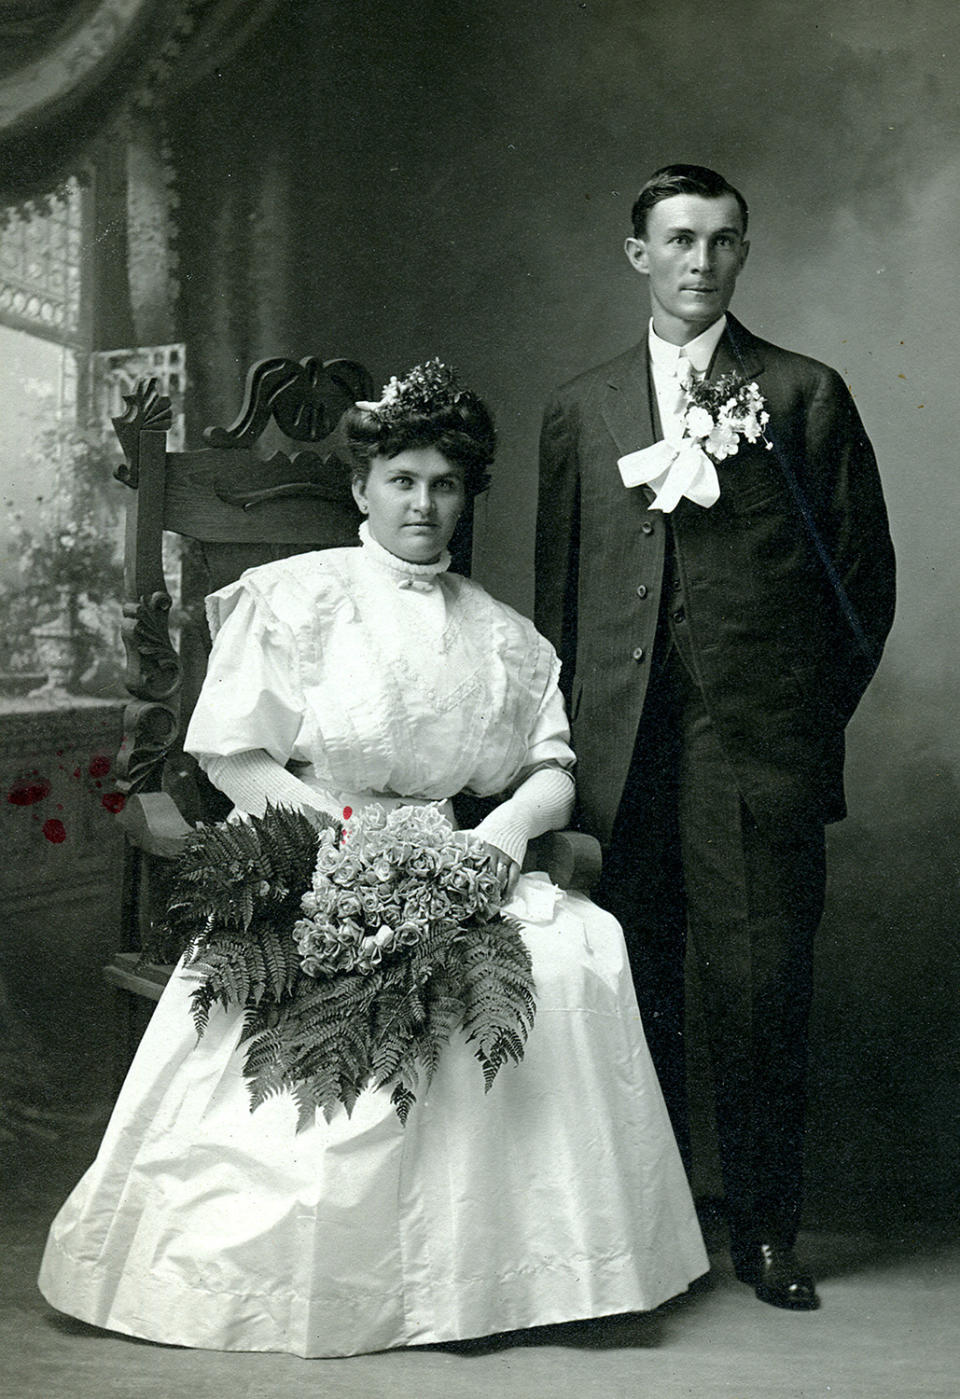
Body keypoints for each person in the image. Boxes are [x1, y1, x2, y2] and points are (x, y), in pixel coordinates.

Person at [38, 362, 708, 1358]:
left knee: (576, 952)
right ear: (362, 487)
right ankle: (343, 1279)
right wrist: (334, 839)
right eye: (402, 480)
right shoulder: (295, 599)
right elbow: (231, 748)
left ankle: (508, 1275)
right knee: (342, 988)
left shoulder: (504, 638)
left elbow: (552, 769)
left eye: (444, 484)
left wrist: (504, 831)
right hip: (314, 848)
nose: (424, 505)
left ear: (464, 495)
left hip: (455, 853)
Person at [535, 165, 896, 1311]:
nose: (703, 262)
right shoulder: (580, 408)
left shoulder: (802, 393)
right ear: (637, 253)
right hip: (618, 754)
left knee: (758, 989)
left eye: (725, 242)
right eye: (680, 240)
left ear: (744, 255)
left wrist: (794, 723)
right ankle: (646, 1227)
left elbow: (862, 590)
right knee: (629, 991)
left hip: (753, 755)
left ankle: (767, 1233)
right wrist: (566, 749)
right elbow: (559, 602)